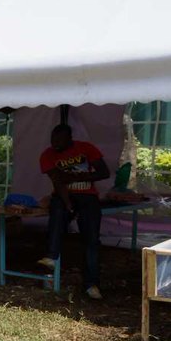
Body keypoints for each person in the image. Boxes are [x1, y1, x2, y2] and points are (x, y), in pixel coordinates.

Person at [37, 124, 109, 299]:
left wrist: (79, 177)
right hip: (63, 195)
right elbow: (57, 182)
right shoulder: (47, 155)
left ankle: (91, 284)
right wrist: (68, 203)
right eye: (53, 140)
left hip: (87, 196)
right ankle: (52, 256)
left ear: (70, 139)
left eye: (59, 140)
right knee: (57, 212)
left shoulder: (86, 148)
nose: (55, 144)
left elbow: (104, 172)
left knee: (91, 240)